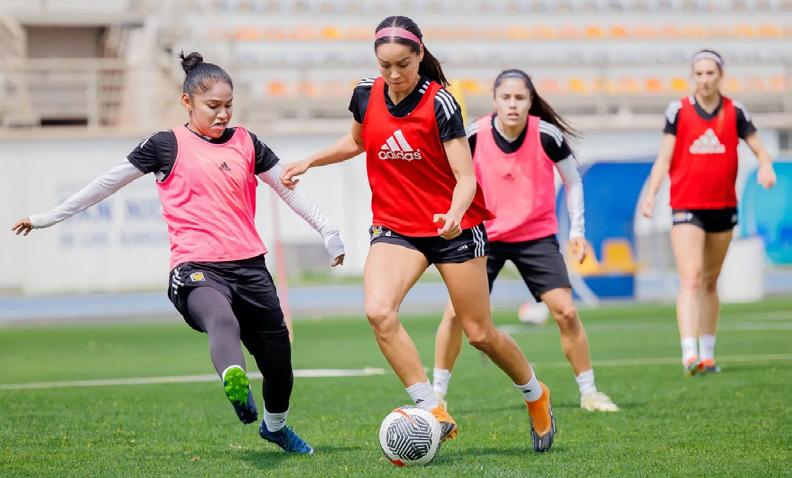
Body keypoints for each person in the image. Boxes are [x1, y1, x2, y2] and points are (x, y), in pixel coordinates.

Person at [11, 52, 346, 454]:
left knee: (279, 364)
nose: (223, 114)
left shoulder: (247, 142)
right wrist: (48, 217)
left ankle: (275, 427)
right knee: (221, 319)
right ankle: (235, 379)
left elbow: (287, 188)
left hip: (250, 267)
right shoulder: (165, 145)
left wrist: (327, 229)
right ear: (187, 102)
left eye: (228, 106)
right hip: (196, 268)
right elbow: (106, 183)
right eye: (213, 106)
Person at [281, 16, 556, 452]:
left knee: (479, 334)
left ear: (420, 55)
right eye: (385, 65)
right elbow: (358, 142)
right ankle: (433, 409)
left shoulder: (441, 103)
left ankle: (536, 395)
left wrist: (454, 213)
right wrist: (310, 160)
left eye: (403, 65)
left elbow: (466, 178)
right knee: (378, 311)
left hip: (455, 229)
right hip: (396, 227)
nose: (394, 75)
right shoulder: (364, 94)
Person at [432, 69, 619, 412]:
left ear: (531, 101)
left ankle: (590, 393)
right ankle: (437, 394)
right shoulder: (473, 134)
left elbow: (573, 181)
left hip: (535, 236)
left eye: (520, 97)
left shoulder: (547, 135)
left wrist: (577, 232)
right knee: (455, 314)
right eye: (506, 97)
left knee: (566, 312)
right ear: (494, 100)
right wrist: (451, 217)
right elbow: (450, 176)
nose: (513, 104)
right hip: (483, 236)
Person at [640, 49, 776, 375]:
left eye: (710, 73)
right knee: (691, 277)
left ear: (720, 75)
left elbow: (760, 149)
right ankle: (689, 353)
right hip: (687, 206)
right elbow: (664, 158)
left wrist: (766, 166)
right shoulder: (678, 110)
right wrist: (651, 193)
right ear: (693, 76)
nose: (704, 80)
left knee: (711, 281)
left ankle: (709, 353)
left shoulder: (735, 111)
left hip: (723, 207)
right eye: (699, 73)